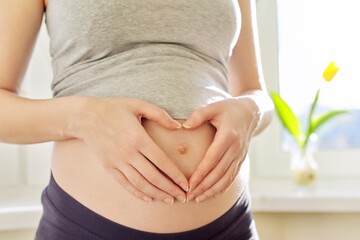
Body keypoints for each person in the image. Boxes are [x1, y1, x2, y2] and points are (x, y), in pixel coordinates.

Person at [0, 0, 273, 239]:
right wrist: (84, 116)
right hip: (86, 226)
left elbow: (255, 90)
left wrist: (251, 110)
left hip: (229, 227)